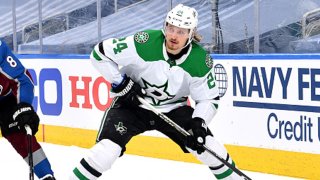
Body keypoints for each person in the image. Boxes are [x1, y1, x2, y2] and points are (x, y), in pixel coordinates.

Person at [71, 4, 240, 180]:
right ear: (165, 26)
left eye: (181, 31)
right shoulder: (143, 42)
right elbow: (99, 54)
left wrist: (199, 122)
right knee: (105, 152)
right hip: (133, 103)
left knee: (210, 148)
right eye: (171, 28)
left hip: (174, 108)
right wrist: (120, 82)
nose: (173, 36)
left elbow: (208, 99)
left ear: (191, 33)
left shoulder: (200, 61)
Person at [0, 40, 56, 180]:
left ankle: (46, 176)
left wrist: (23, 106)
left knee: (19, 133)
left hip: (4, 100)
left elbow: (23, 79)